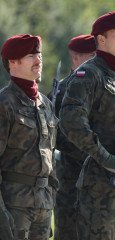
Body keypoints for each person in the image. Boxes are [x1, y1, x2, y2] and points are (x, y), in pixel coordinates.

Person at [59, 11, 115, 240]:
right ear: (102, 40)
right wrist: (104, 156)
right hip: (101, 189)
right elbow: (70, 121)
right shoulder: (89, 74)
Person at [0, 34, 58, 240]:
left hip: (43, 203)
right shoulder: (4, 103)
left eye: (39, 54)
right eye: (31, 55)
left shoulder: (45, 104)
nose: (38, 60)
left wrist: (49, 201)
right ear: (13, 62)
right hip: (14, 205)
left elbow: (48, 155)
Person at [53, 34, 96, 240]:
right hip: (71, 176)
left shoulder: (97, 83)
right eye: (92, 56)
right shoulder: (65, 88)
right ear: (76, 58)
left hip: (96, 179)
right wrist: (95, 151)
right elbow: (61, 135)